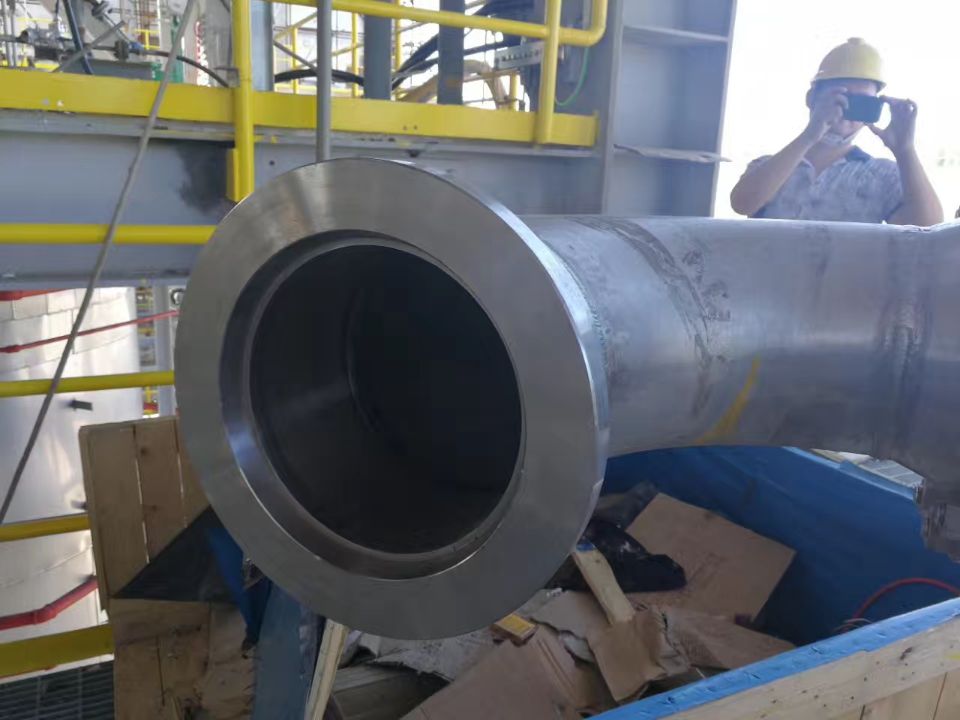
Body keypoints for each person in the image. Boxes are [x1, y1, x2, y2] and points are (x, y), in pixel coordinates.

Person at [730, 38, 943, 226]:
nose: (846, 111)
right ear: (811, 99)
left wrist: (905, 151)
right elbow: (742, 203)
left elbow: (928, 227)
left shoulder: (882, 175)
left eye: (862, 104)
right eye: (840, 99)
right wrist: (810, 135)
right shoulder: (769, 166)